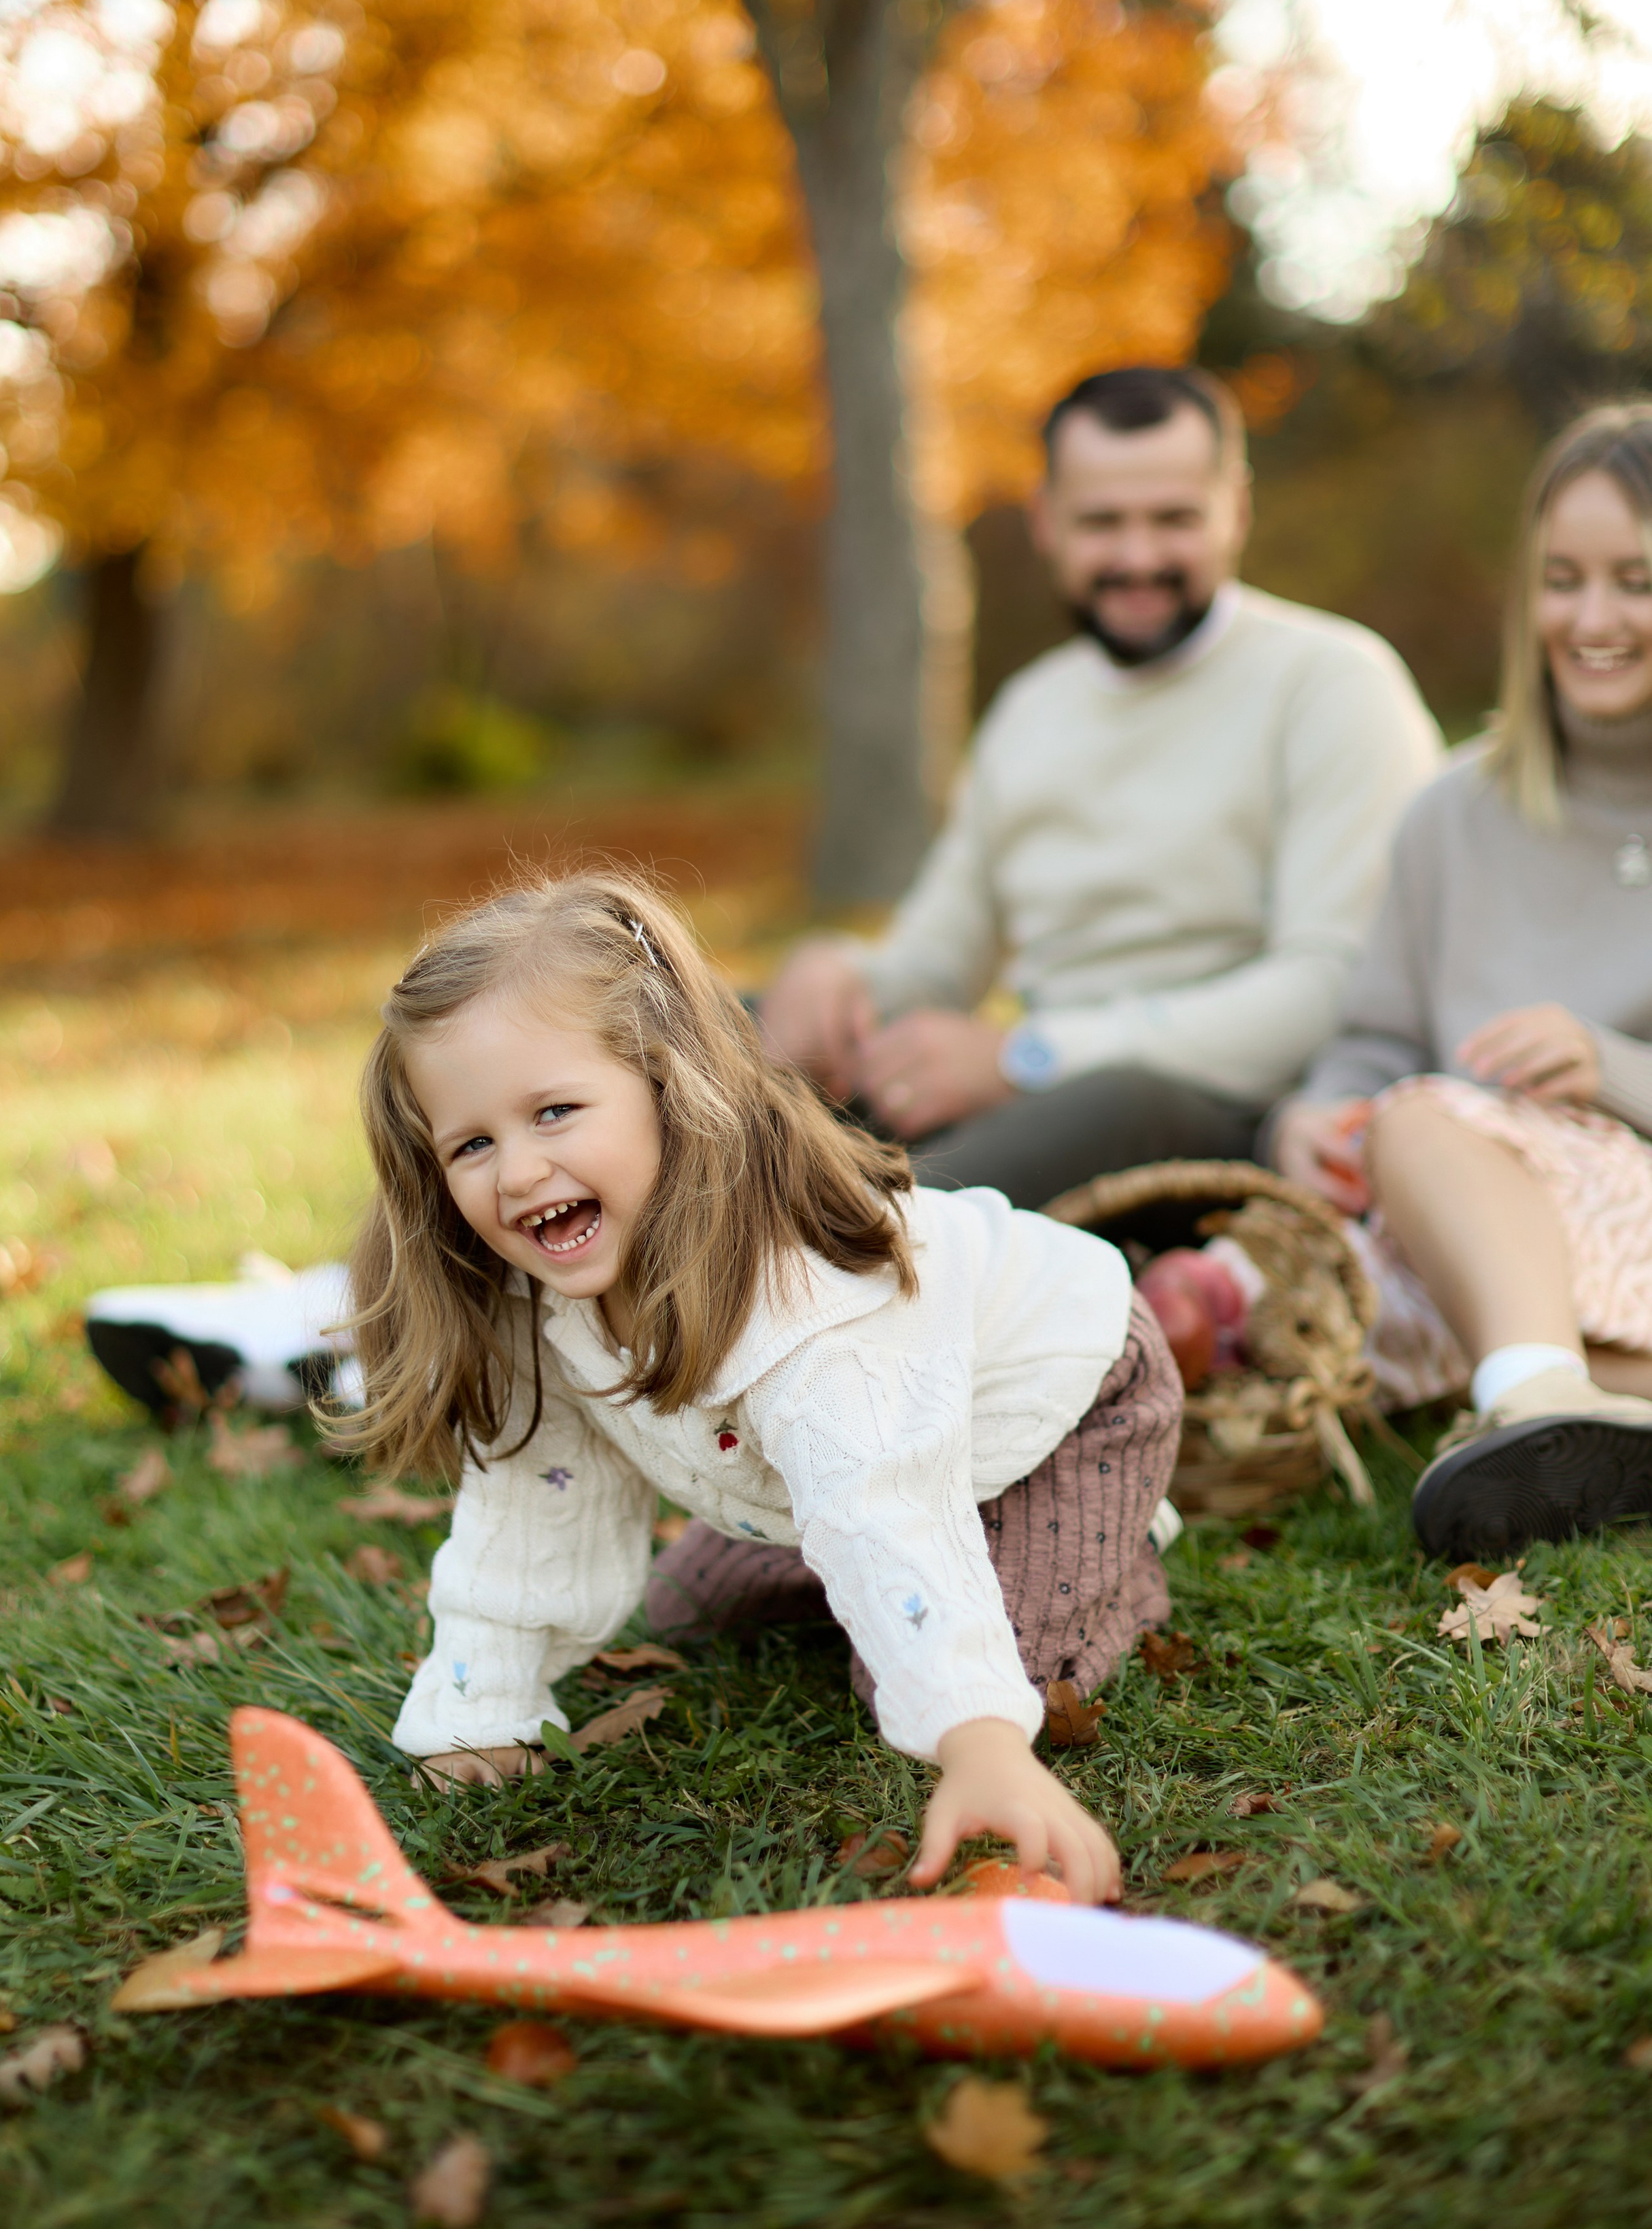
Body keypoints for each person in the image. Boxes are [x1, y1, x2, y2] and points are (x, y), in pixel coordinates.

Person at [337, 869, 1186, 1901]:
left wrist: (983, 1747)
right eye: (473, 1143)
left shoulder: (802, 1298)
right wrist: (478, 1711)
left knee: (920, 1674)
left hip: (1069, 1401)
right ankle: (978, 1559)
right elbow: (533, 1503)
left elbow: (880, 1506)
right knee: (693, 1611)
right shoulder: (536, 1296)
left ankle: (1114, 1545)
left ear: (666, 1087)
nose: (515, 1173)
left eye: (555, 1112)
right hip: (850, 1447)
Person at [761, 364, 1443, 1208]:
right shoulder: (1031, 709)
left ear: (1235, 506)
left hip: (1220, 1115)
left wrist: (1024, 1059)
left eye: (1173, 519)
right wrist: (838, 981)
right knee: (702, 1034)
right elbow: (940, 955)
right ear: (1046, 521)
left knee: (1094, 1109)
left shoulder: (1331, 683)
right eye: (1102, 523)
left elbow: (1328, 991)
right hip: (1045, 1097)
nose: (1138, 557)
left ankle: (855, 1254)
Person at [1273, 404, 1652, 1558]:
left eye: (1637, 581)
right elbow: (1377, 1035)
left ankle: (1535, 1401)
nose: (1593, 619)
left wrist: (1614, 1064)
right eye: (1563, 579)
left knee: (1429, 1123)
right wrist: (1317, 1110)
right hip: (1475, 1234)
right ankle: (1581, 1401)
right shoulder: (1452, 811)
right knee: (1254, 1290)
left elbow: (1419, 1099)